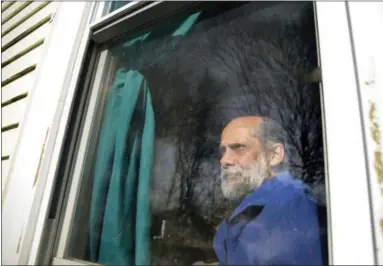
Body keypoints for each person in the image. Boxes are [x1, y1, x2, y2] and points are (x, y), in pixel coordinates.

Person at [213, 116, 323, 265]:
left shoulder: (293, 210)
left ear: (274, 155)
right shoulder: (249, 208)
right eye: (223, 151)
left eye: (239, 148)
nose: (224, 160)